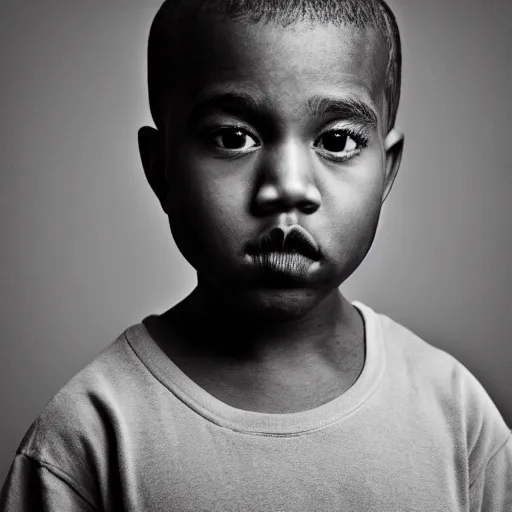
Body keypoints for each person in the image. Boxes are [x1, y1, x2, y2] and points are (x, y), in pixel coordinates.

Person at [1, 0, 511, 510]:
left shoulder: (455, 414)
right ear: (160, 171)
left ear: (387, 171)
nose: (288, 187)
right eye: (233, 137)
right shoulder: (88, 437)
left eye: (336, 140)